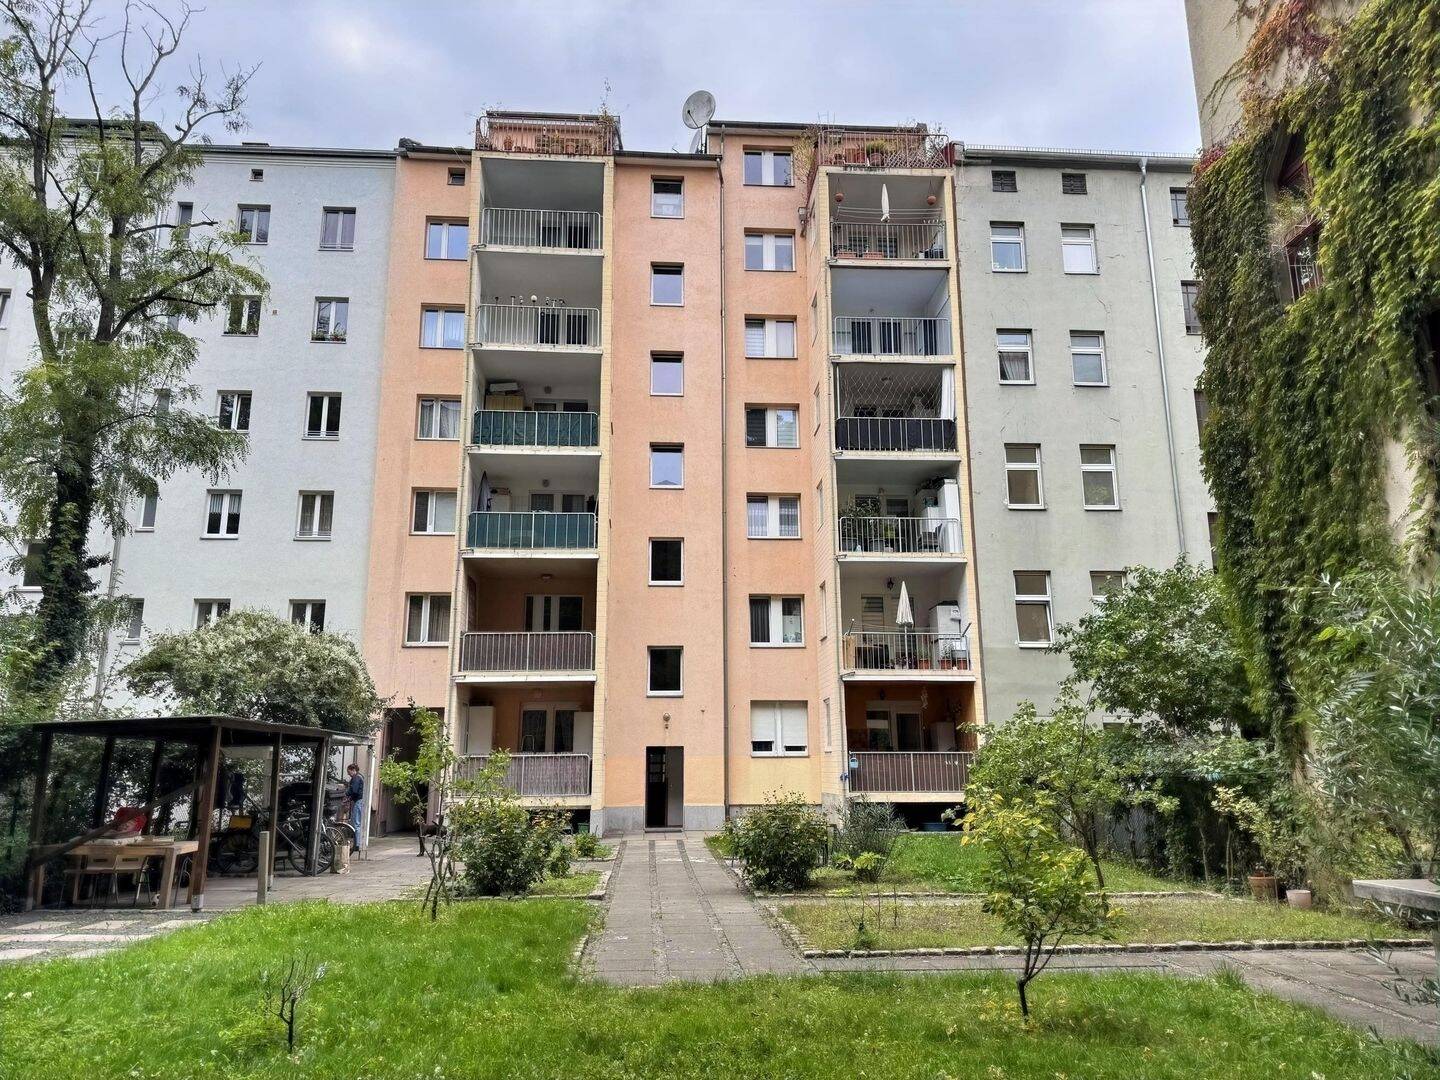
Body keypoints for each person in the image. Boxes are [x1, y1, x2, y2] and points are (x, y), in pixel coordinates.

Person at [345, 763, 364, 853]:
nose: (348, 774)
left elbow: (354, 790)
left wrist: (346, 794)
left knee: (356, 823)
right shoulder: (360, 777)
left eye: (349, 772)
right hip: (359, 800)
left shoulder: (356, 778)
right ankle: (358, 843)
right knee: (357, 823)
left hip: (358, 801)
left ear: (353, 770)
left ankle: (357, 844)